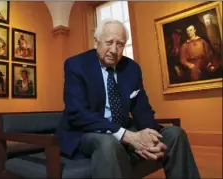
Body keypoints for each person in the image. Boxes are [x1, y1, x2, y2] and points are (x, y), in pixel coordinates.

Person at [57, 19, 200, 178]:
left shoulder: (131, 68)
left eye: (120, 44)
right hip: (87, 132)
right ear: (96, 42)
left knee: (175, 134)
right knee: (108, 142)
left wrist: (149, 134)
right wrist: (126, 135)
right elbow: (77, 114)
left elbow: (141, 108)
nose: (113, 50)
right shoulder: (76, 65)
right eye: (109, 42)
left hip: (123, 128)